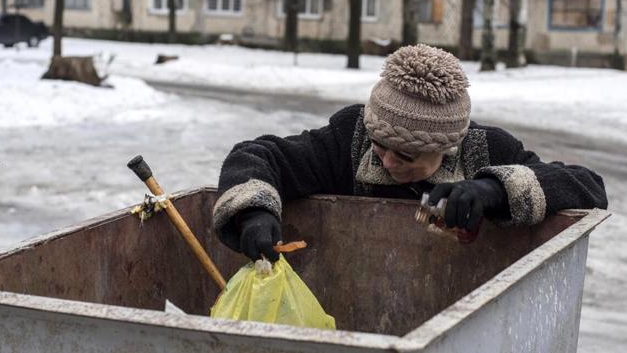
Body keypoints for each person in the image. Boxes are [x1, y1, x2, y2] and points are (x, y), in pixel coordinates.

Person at [212, 44, 608, 261]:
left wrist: (494, 190)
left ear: (447, 146)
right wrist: (254, 212)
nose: (386, 162)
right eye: (381, 148)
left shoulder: (487, 150)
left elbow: (588, 186)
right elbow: (259, 154)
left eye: (405, 157)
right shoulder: (349, 139)